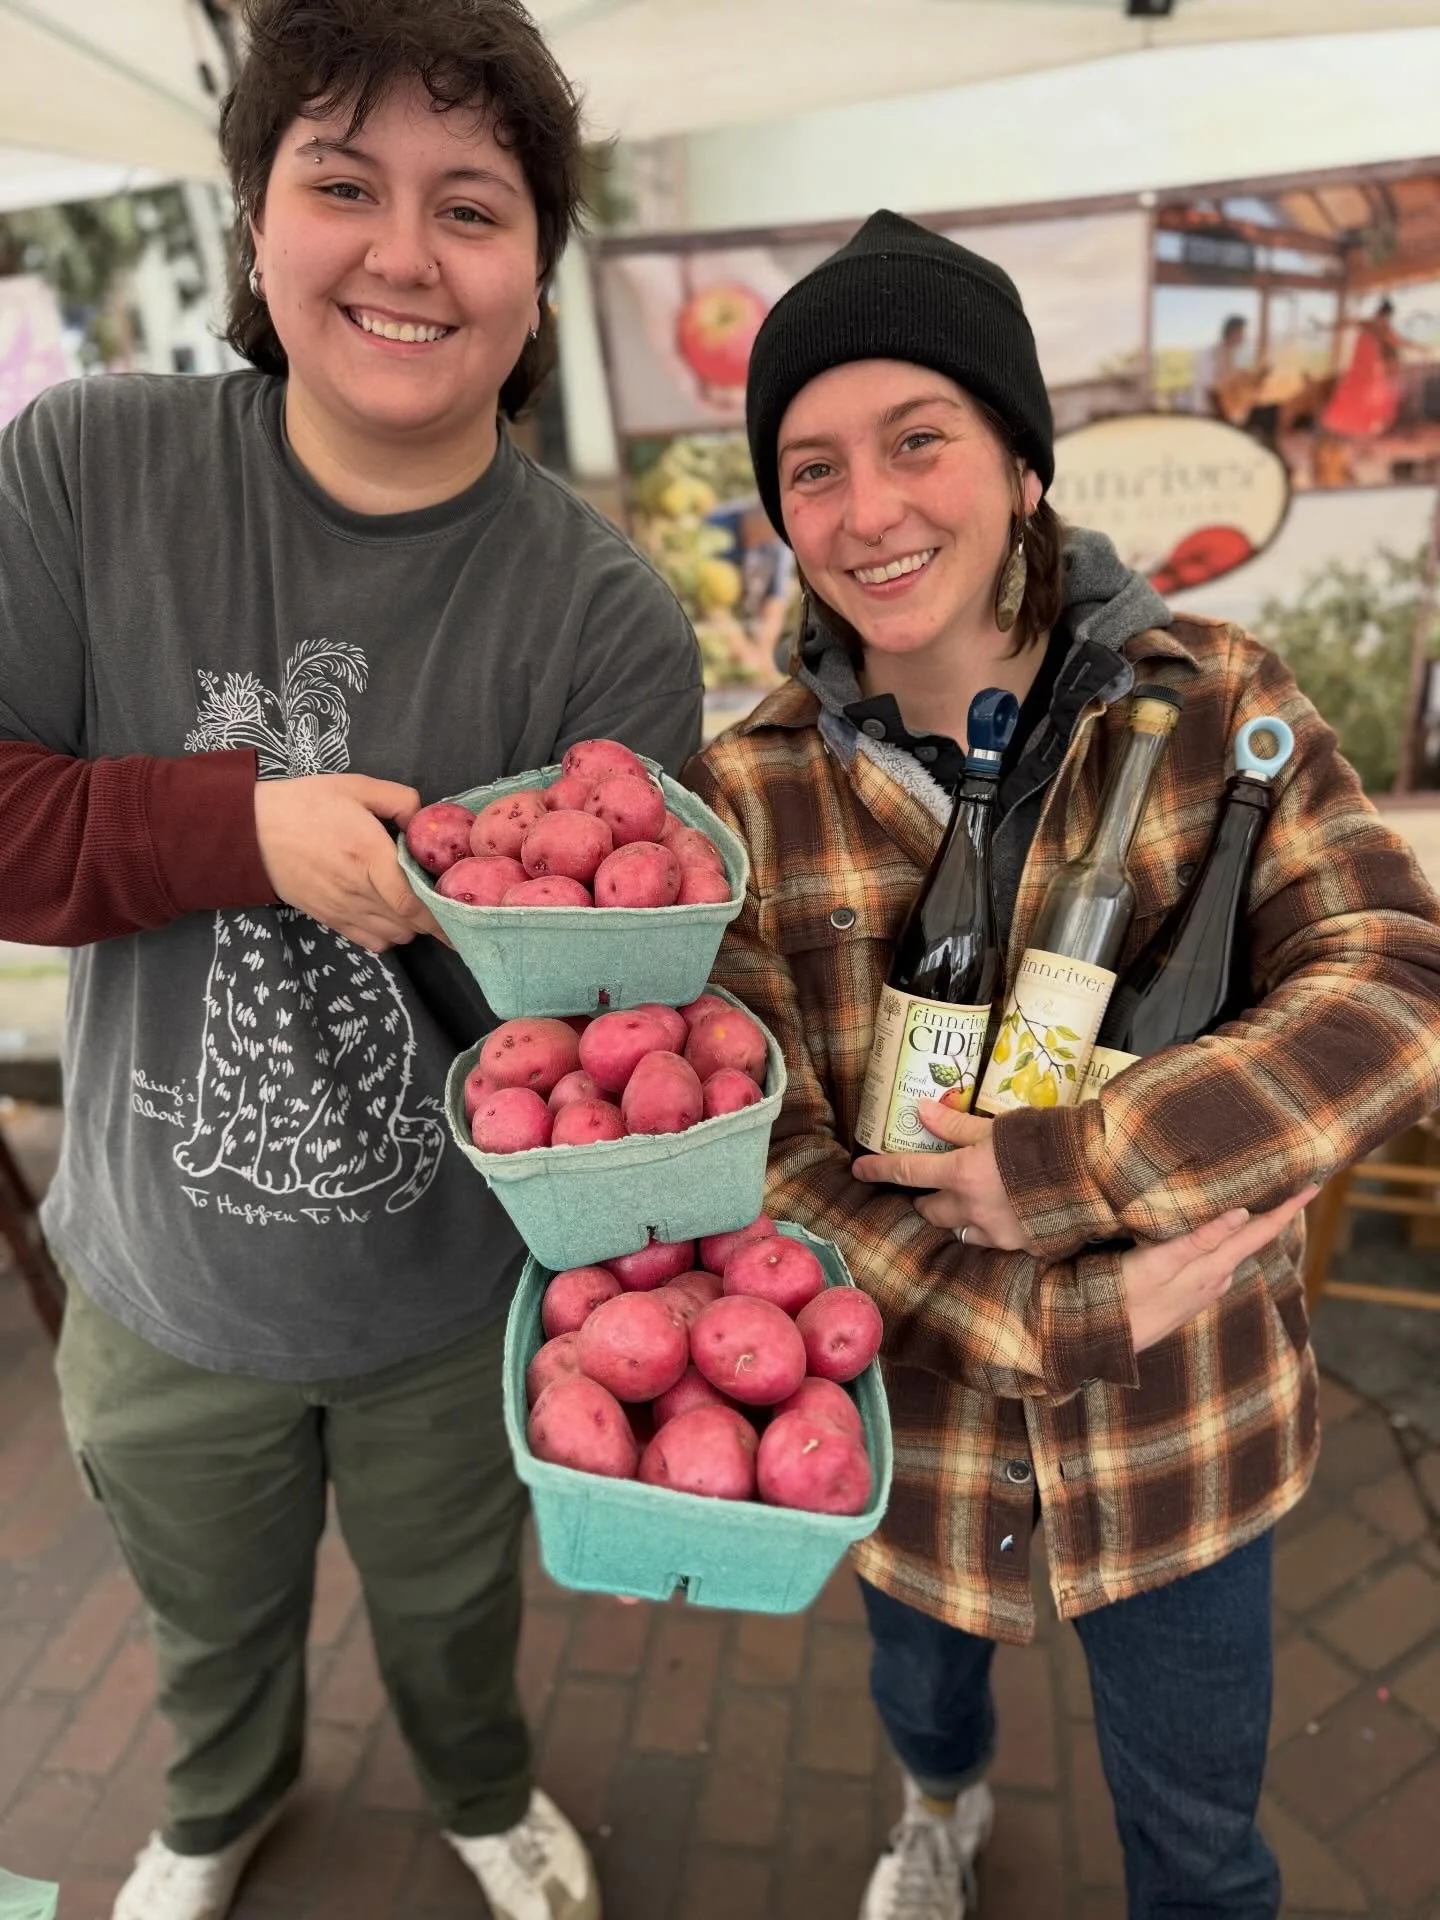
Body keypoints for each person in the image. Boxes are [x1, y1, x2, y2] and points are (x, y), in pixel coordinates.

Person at [0, 3, 701, 1917]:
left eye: (469, 206)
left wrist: (532, 937)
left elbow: (621, 1033)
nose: (403, 253)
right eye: (343, 184)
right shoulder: (89, 475)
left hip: (448, 1300)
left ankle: (479, 1787)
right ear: (253, 222)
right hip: (159, 1278)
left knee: (457, 1603)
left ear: (532, 273)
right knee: (201, 1613)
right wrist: (243, 832)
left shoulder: (603, 622)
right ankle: (215, 1807)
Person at [684, 210, 1440, 1920]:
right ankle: (937, 1812)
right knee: (921, 1699)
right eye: (813, 469)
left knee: (1200, 1844)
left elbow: (1396, 975)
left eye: (918, 441)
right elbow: (770, 1164)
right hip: (917, 1429)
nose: (869, 510)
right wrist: (1058, 1308)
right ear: (780, 512)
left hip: (1187, 1444)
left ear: (1021, 462)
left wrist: (1075, 1163)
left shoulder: (1214, 699)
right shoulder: (747, 794)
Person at [1321, 297, 1421, 441]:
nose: (1384, 319)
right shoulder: (1367, 324)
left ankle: (1362, 428)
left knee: (1368, 397)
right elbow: (1345, 324)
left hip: (1371, 368)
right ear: (1380, 314)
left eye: (1386, 317)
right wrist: (1326, 326)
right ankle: (1342, 427)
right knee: (1350, 394)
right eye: (1383, 316)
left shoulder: (1385, 330)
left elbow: (1401, 342)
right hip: (1358, 365)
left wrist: (1419, 348)